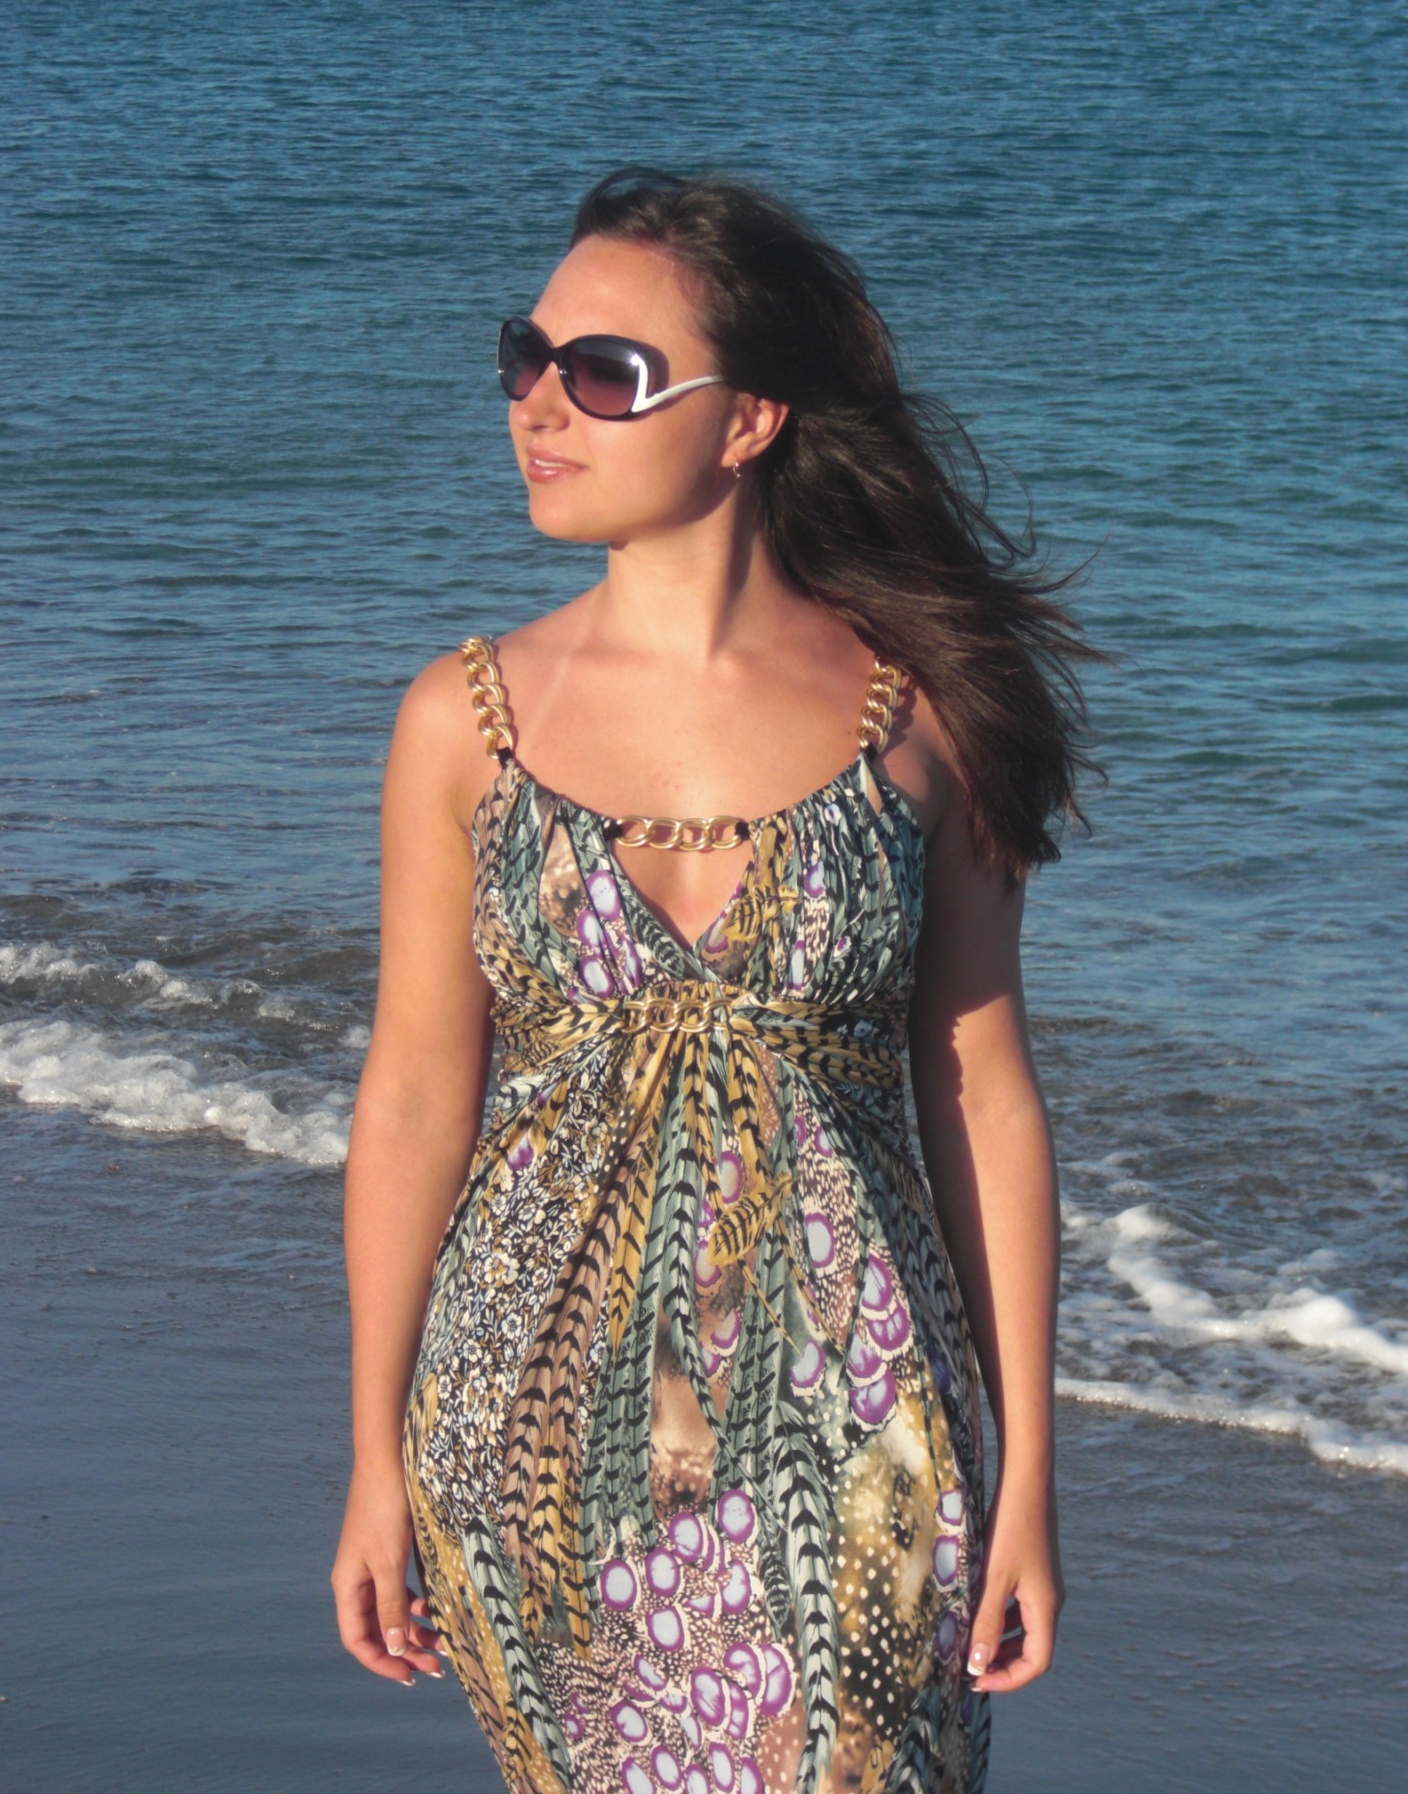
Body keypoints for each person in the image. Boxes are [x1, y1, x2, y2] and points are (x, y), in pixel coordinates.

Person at [331, 167, 1098, 1794]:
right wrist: (373, 1458)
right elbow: (411, 1097)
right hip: (527, 1423)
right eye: (526, 357)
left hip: (864, 1415)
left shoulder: (927, 716)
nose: (539, 405)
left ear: (747, 420)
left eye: (602, 373)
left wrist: (1032, 1466)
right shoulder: (459, 721)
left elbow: (984, 1098)